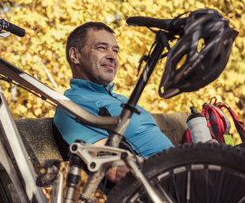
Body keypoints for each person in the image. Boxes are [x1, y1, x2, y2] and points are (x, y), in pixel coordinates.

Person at [53, 22, 174, 183]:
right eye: (102, 48)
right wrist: (179, 165)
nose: (112, 55)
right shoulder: (72, 108)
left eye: (115, 50)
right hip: (160, 184)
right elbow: (114, 168)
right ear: (75, 55)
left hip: (181, 174)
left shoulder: (120, 99)